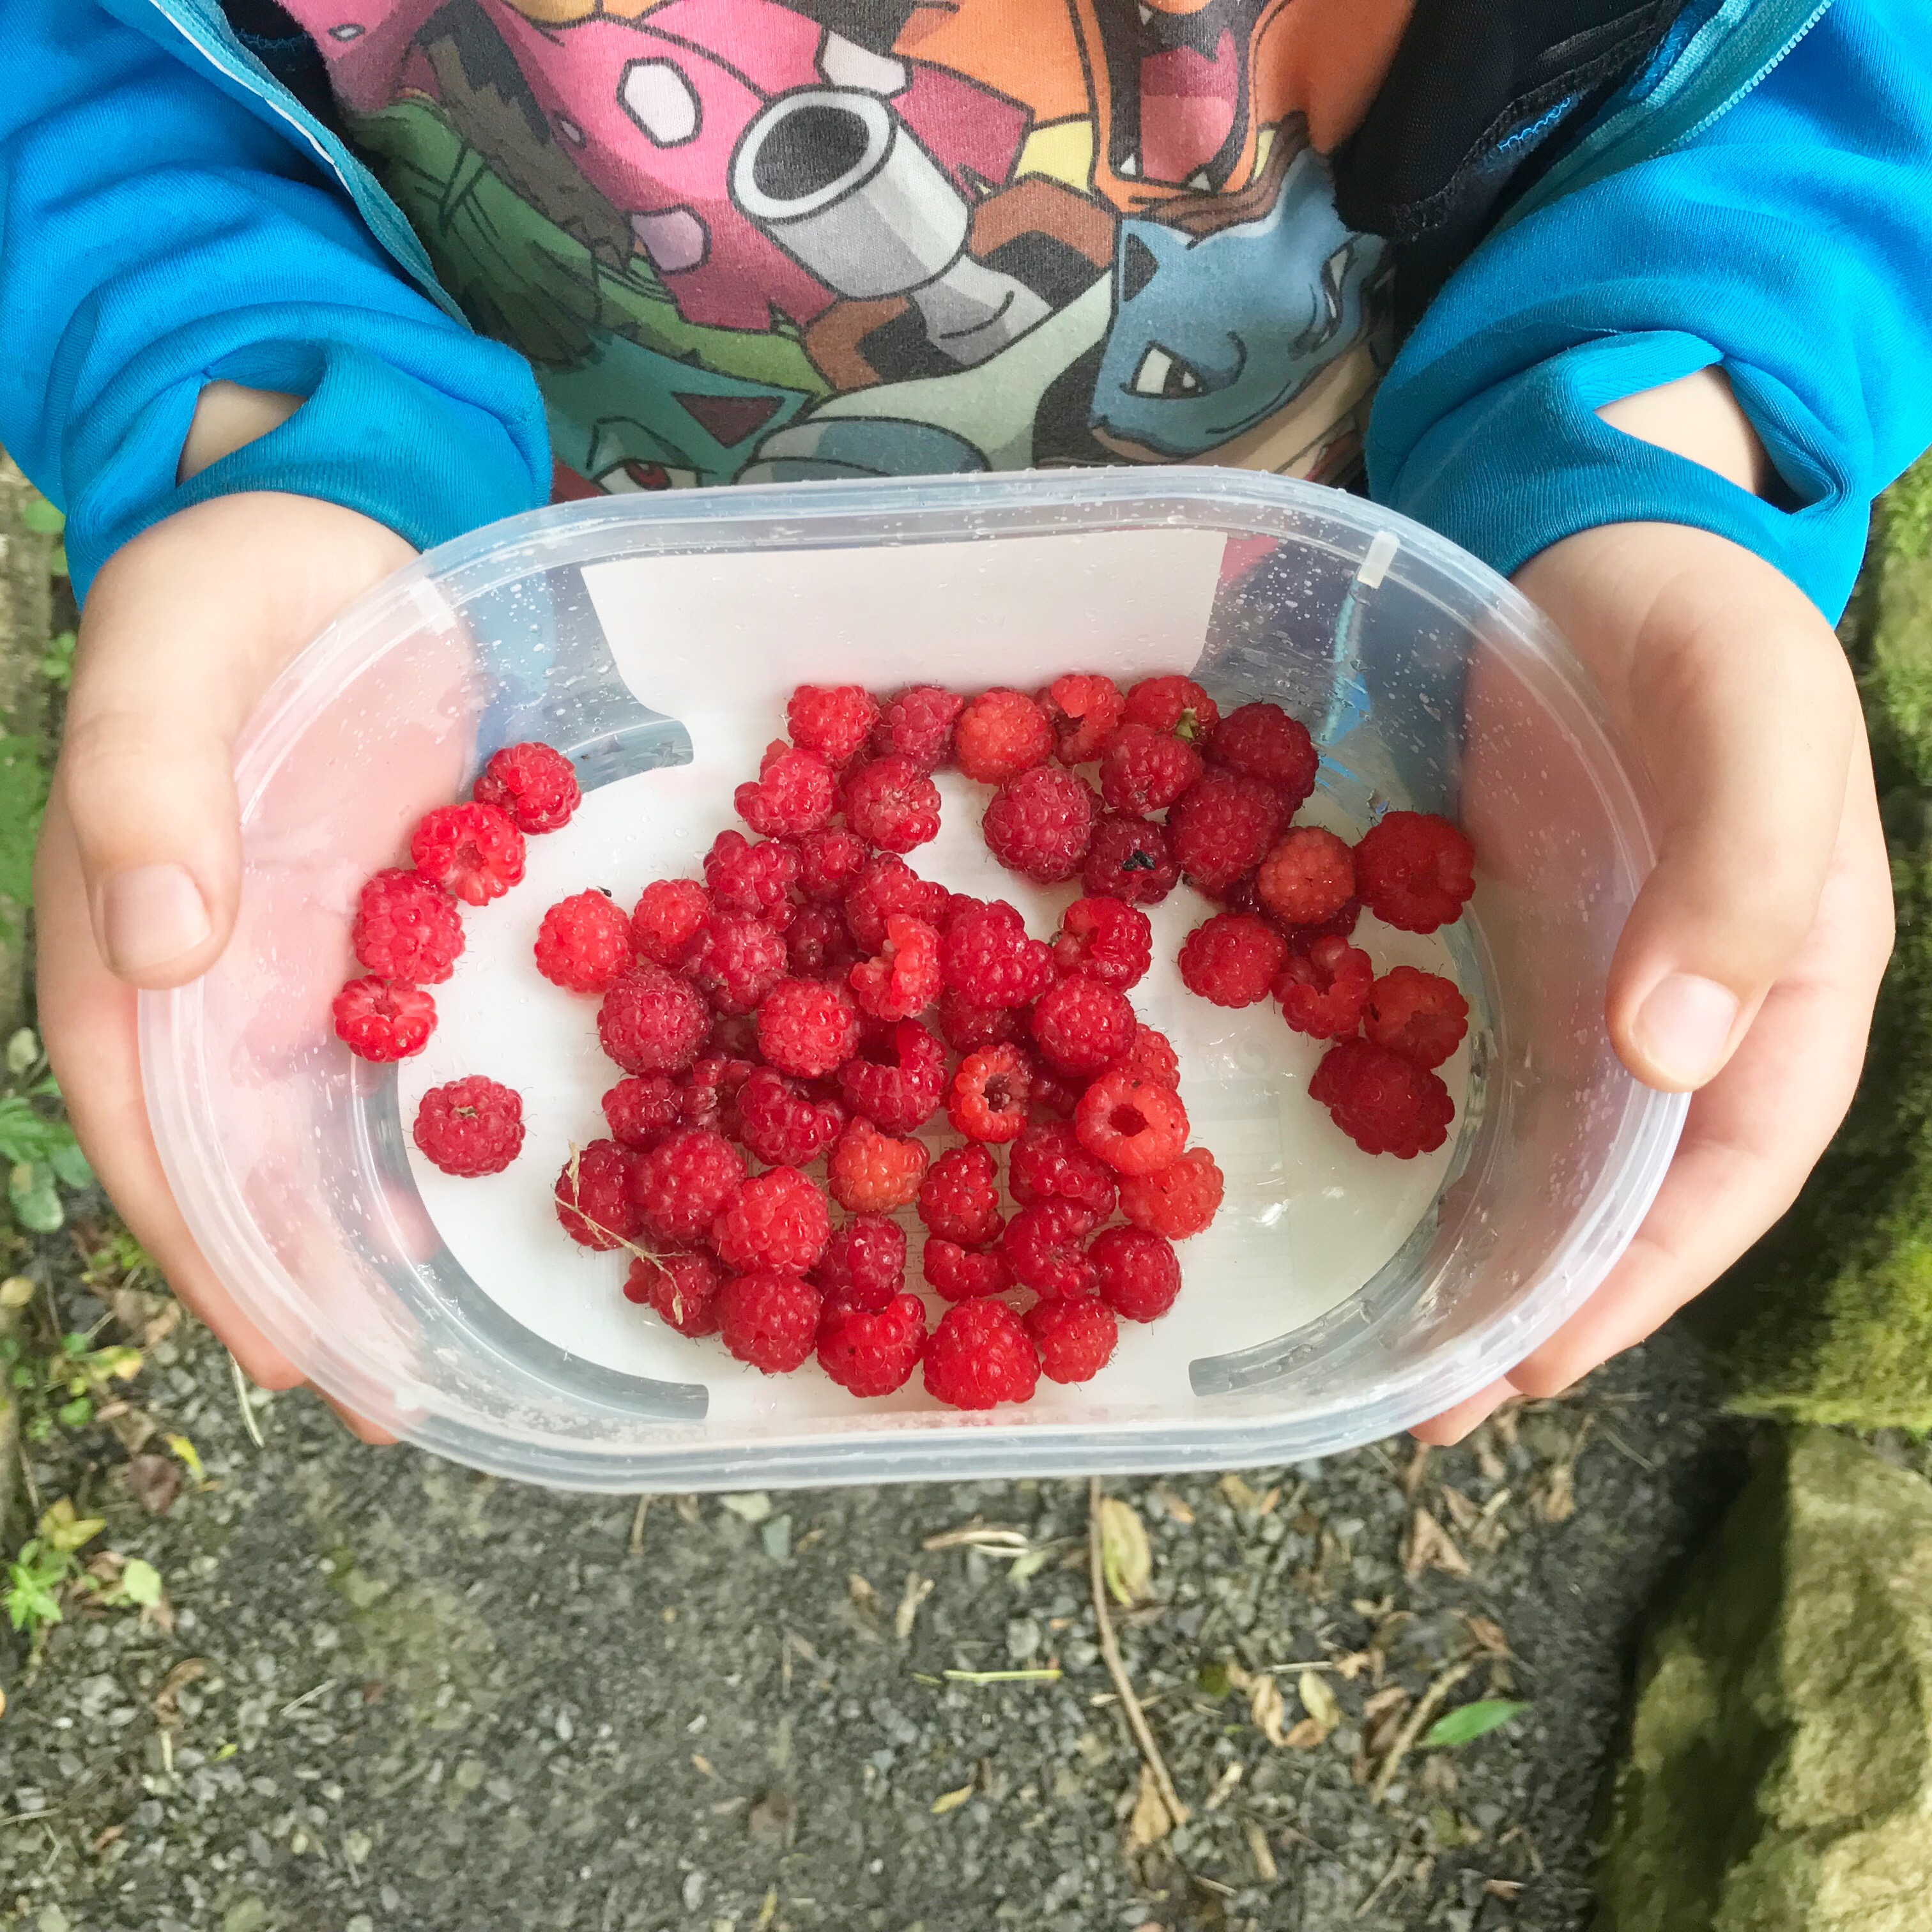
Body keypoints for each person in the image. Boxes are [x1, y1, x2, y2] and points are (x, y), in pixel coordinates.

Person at [3, 0, 1920, 1443]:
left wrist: (1663, 435)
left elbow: (1798, 73)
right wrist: (255, 415)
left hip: (1298, 557)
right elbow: (100, 74)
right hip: (555, 561)